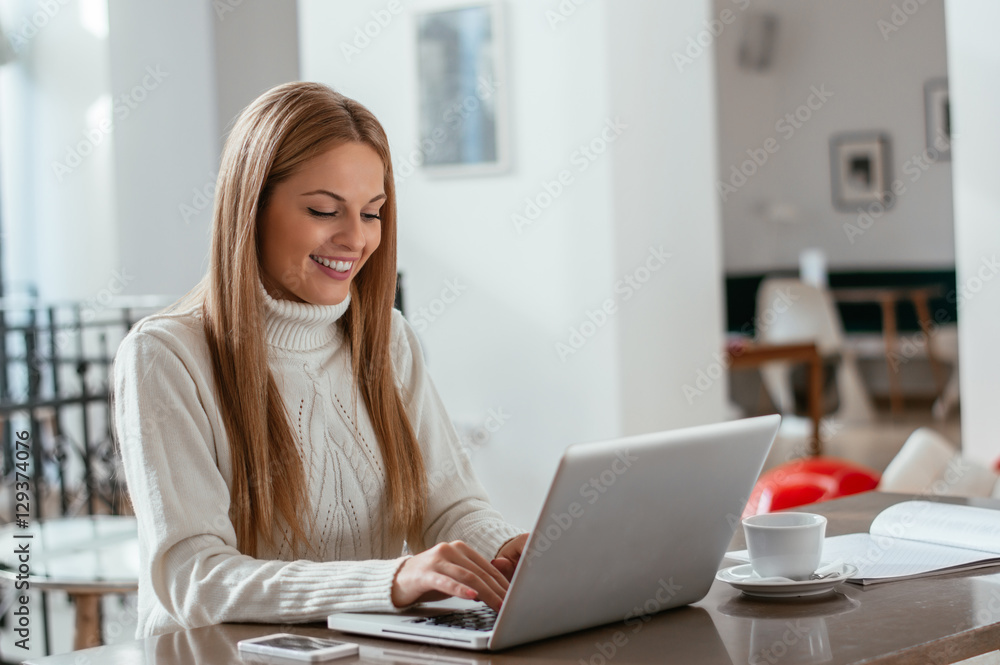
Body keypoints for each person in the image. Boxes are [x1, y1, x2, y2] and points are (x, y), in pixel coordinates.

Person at [112, 81, 527, 638]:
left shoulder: (386, 340)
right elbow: (197, 579)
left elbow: (450, 506)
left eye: (373, 213)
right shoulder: (164, 356)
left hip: (357, 651)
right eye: (324, 210)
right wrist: (391, 581)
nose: (356, 239)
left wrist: (508, 552)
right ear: (251, 208)